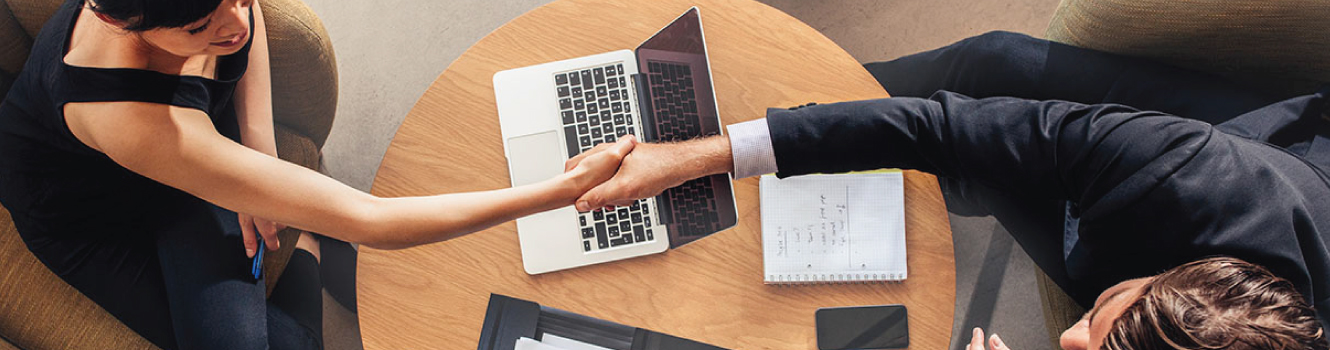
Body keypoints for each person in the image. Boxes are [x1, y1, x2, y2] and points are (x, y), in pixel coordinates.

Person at [568, 31, 1330, 349]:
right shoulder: (1177, 164)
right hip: (1250, 150)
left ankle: (932, 189)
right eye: (1097, 318)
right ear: (1172, 277)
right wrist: (705, 157)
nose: (1060, 336)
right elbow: (944, 126)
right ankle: (808, 96)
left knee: (973, 178)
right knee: (979, 75)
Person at [0, 0, 633, 348]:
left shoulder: (211, 13)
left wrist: (260, 154)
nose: (237, 24)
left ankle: (293, 228)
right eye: (200, 26)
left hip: (195, 156)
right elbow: (370, 219)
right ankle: (310, 249)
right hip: (94, 212)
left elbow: (243, 38)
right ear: (115, 20)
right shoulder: (125, 118)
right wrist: (567, 188)